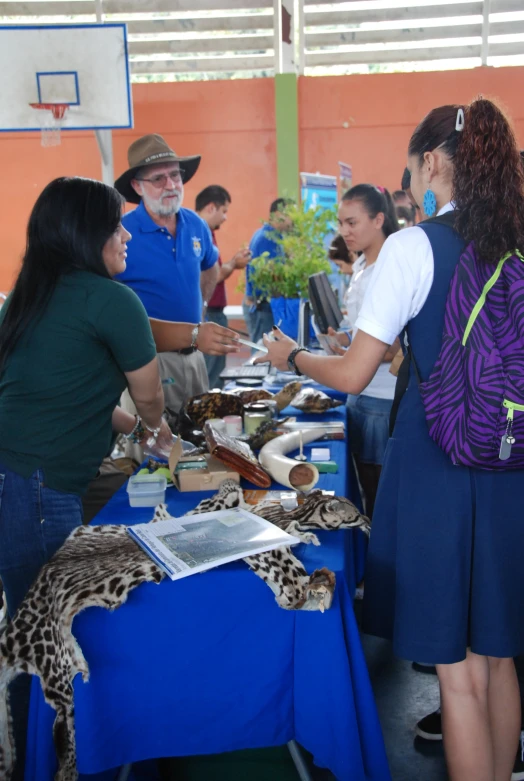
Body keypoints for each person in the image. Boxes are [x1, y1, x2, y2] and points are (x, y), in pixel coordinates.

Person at [257, 98, 524, 781]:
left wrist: (291, 357)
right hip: (508, 463)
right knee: (497, 656)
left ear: (433, 161)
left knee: (457, 674)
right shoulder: (516, 239)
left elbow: (350, 373)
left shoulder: (413, 246)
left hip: (438, 464)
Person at [0, 176, 172, 780]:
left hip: (19, 481)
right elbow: (150, 398)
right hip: (38, 493)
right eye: (115, 225)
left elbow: (79, 394)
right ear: (85, 233)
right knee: (52, 641)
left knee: (30, 632)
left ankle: (35, 759)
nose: (126, 234)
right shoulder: (109, 299)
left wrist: (135, 429)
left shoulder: (32, 294)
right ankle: (62, 766)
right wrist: (160, 435)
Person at [114, 134, 239, 427]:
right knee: (155, 451)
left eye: (175, 175)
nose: (170, 185)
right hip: (148, 362)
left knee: (203, 438)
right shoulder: (121, 233)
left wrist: (203, 305)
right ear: (137, 186)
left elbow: (210, 266)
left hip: (195, 357)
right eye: (158, 179)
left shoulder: (195, 224)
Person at [328, 184, 400, 519]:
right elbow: (366, 333)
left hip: (380, 401)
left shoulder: (391, 269)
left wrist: (356, 354)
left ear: (379, 219)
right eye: (341, 223)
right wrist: (346, 341)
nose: (344, 231)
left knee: (380, 498)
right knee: (365, 493)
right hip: (360, 394)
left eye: (352, 223)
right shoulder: (361, 267)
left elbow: (396, 346)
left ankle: (381, 567)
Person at [195, 185, 251, 388]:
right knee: (211, 376)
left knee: (215, 372)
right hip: (209, 313)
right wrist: (234, 263)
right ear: (211, 207)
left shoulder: (205, 232)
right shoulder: (200, 233)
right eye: (224, 211)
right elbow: (213, 276)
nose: (225, 217)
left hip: (213, 311)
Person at [244, 198, 293, 345]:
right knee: (263, 352)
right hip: (262, 307)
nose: (293, 221)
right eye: (291, 215)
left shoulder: (272, 236)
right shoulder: (267, 239)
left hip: (265, 307)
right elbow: (272, 277)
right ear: (278, 214)